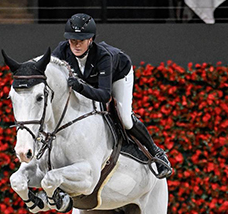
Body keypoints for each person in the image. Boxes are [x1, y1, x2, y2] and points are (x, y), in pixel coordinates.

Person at [52, 13, 173, 179]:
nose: (76, 45)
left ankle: (157, 154)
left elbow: (104, 95)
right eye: (72, 40)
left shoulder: (103, 56)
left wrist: (79, 87)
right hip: (88, 80)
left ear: (90, 40)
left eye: (81, 40)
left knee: (125, 118)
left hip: (119, 75)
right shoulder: (62, 51)